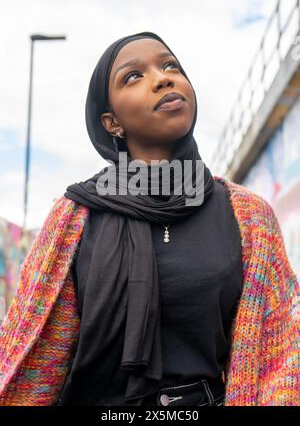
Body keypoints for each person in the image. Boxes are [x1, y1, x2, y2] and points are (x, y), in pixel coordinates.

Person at [0, 32, 299, 407]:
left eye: (170, 66)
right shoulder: (75, 215)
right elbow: (35, 359)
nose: (163, 78)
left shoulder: (248, 215)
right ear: (111, 122)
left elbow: (280, 356)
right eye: (133, 76)